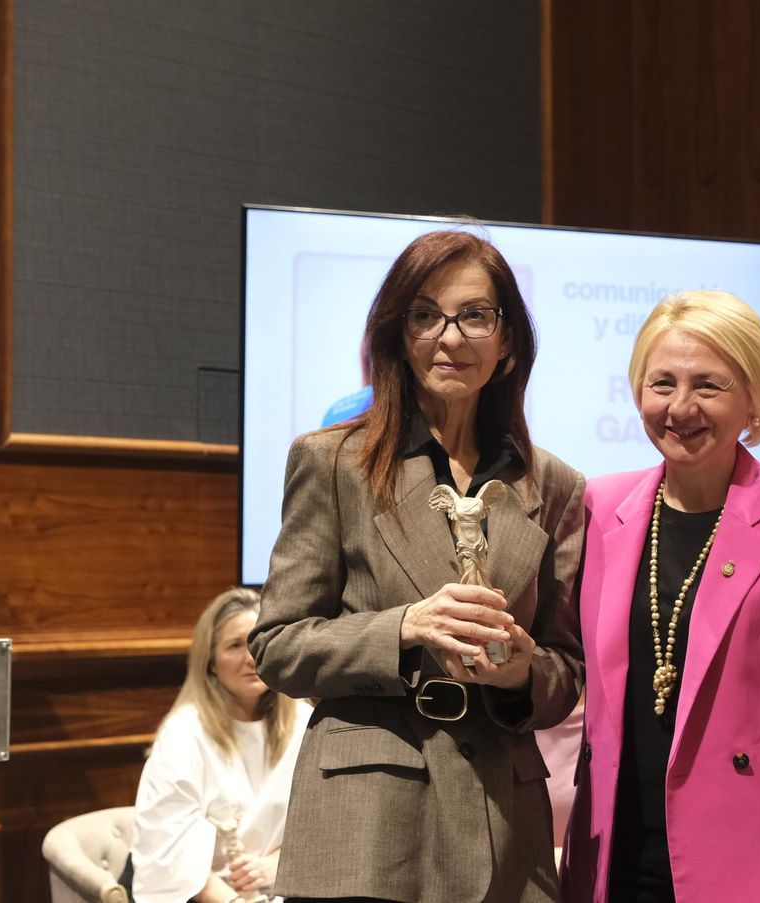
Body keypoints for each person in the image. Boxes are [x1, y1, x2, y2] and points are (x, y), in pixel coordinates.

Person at [248, 229, 586, 903]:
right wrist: (405, 626)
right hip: (366, 825)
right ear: (399, 334)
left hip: (505, 824)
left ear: (509, 339)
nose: (449, 337)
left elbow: (567, 672)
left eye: (475, 315)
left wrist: (523, 671)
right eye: (424, 315)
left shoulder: (554, 486)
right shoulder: (333, 462)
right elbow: (277, 644)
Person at [560, 290, 760, 903]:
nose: (681, 407)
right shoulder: (600, 506)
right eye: (662, 383)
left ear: (753, 401)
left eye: (708, 385)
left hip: (759, 860)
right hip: (615, 860)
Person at [128, 587, 310, 903]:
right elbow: (169, 855)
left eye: (258, 642)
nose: (251, 657)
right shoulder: (184, 733)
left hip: (281, 885)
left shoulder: (304, 719)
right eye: (235, 646)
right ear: (210, 661)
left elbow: (321, 824)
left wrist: (277, 864)